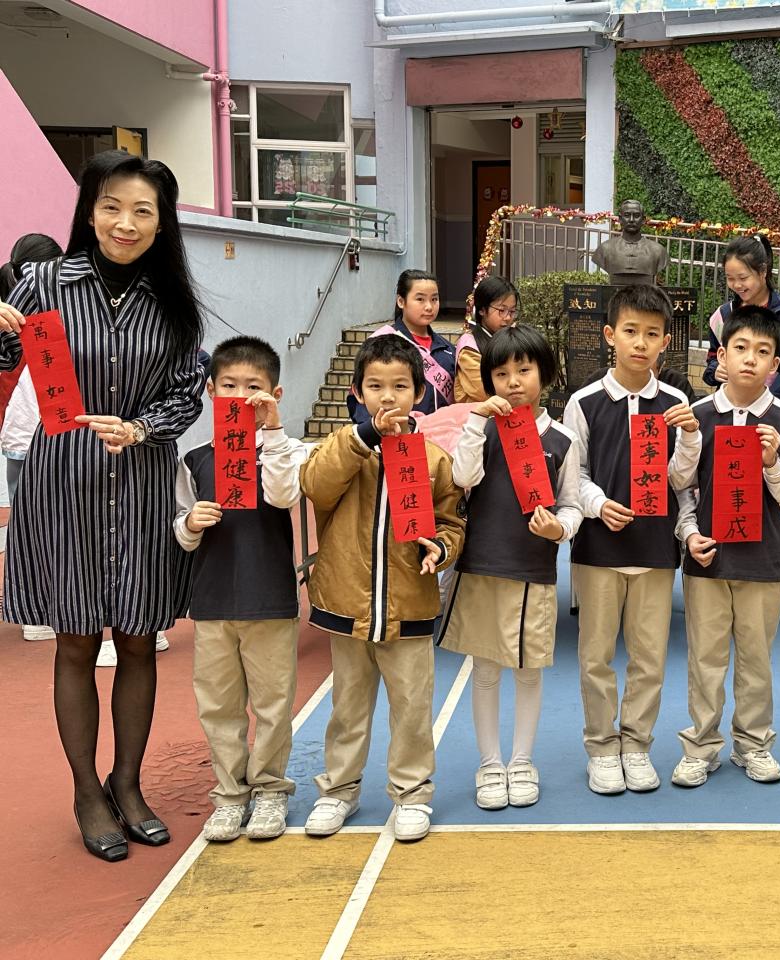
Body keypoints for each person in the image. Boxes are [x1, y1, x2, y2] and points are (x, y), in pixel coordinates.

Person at [0, 151, 206, 862]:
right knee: (78, 640)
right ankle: (87, 791)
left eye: (143, 210)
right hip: (64, 482)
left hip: (141, 479)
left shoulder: (172, 301)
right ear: (90, 211)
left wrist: (143, 427)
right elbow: (5, 362)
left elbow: (187, 392)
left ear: (161, 222)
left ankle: (128, 782)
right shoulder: (43, 283)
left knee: (140, 637)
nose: (126, 222)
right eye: (112, 206)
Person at [300, 334, 466, 843]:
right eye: (375, 386)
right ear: (357, 391)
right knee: (347, 707)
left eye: (399, 386)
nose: (387, 396)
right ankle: (339, 789)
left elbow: (452, 523)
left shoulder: (433, 458)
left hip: (409, 605)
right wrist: (364, 436)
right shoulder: (342, 447)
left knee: (412, 707)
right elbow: (315, 485)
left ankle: (412, 793)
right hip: (347, 601)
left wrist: (441, 548)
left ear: (419, 392)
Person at [561, 284, 701, 795]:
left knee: (649, 658)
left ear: (665, 341)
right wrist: (598, 504)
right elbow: (574, 475)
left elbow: (680, 479)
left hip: (655, 549)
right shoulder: (583, 402)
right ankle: (601, 746)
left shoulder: (676, 403)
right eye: (630, 331)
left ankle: (637, 744)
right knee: (596, 656)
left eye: (652, 334)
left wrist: (691, 437)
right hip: (599, 550)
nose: (640, 343)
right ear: (609, 335)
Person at [440, 326, 582, 810]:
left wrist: (558, 530)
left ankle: (522, 761)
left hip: (532, 570)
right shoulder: (481, 429)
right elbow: (463, 477)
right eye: (501, 374)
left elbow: (571, 505)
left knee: (528, 670)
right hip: (481, 566)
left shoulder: (562, 439)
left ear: (545, 374)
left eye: (524, 370)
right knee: (485, 670)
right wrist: (476, 421)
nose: (513, 381)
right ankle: (490, 762)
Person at [175, 337, 307, 842]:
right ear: (211, 391)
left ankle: (270, 789)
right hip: (213, 601)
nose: (241, 396)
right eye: (229, 385)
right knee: (219, 705)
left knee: (273, 703)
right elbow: (180, 532)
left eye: (254, 387)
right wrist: (191, 522)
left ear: (275, 393)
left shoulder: (284, 451)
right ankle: (230, 794)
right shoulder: (195, 460)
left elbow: (284, 494)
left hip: (269, 598)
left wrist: (272, 430)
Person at [671, 305, 780, 788]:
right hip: (708, 559)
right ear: (721, 356)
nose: (750, 359)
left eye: (762, 352)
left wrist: (771, 462)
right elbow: (681, 485)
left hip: (762, 562)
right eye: (741, 348)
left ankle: (753, 743)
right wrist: (689, 534)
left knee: (756, 660)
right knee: (705, 659)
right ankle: (701, 746)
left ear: (775, 364)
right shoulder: (698, 416)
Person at [0, 233, 62, 642]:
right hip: (38, 438)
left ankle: (36, 612)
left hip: (27, 437)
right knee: (48, 526)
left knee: (30, 527)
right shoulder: (36, 320)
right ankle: (38, 613)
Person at [702, 234, 780, 409]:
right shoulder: (723, 315)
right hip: (730, 409)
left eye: (743, 278)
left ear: (763, 271)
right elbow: (713, 358)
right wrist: (715, 370)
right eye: (730, 278)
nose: (737, 285)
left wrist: (768, 408)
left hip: (771, 411)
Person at [346, 270, 454, 424]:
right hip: (393, 431)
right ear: (401, 301)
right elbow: (361, 397)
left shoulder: (448, 349)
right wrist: (373, 429)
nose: (429, 306)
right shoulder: (380, 342)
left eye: (434, 299)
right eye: (420, 299)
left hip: (438, 433)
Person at [454, 275, 519, 403]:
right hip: (480, 413)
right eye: (501, 310)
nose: (507, 318)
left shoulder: (507, 339)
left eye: (512, 311)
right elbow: (484, 391)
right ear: (482, 310)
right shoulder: (470, 347)